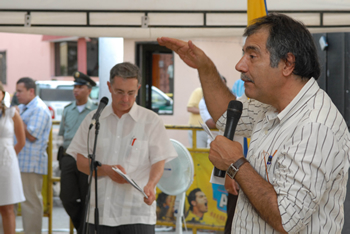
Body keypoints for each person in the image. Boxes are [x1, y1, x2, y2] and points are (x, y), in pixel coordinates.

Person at [158, 13, 350, 234]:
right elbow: (224, 114)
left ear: (287, 64)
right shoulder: (269, 104)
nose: (240, 65)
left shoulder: (315, 126)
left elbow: (286, 220)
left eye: (252, 55)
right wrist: (204, 66)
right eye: (243, 54)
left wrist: (236, 163)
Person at [66, 62, 178, 233]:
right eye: (119, 92)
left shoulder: (151, 120)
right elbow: (80, 162)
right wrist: (105, 170)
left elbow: (159, 160)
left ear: (138, 88)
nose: (125, 99)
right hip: (99, 212)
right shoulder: (93, 119)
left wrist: (151, 184)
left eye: (131, 93)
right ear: (109, 87)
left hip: (137, 212)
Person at [58, 72, 97, 234]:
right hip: (68, 157)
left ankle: (84, 230)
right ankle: (83, 229)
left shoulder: (96, 110)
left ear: (88, 90)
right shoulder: (68, 110)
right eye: (75, 87)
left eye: (80, 87)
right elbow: (61, 134)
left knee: (87, 198)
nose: (76, 90)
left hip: (87, 158)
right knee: (67, 198)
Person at [15, 77, 52, 234]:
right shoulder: (25, 108)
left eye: (20, 91)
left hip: (31, 162)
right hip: (20, 162)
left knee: (30, 202)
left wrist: (17, 117)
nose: (17, 94)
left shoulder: (39, 108)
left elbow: (32, 135)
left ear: (31, 91)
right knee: (17, 202)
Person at [0, 82, 25, 234]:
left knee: (8, 207)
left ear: (3, 94)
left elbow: (21, 142)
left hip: (7, 162)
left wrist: (8, 157)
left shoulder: (11, 112)